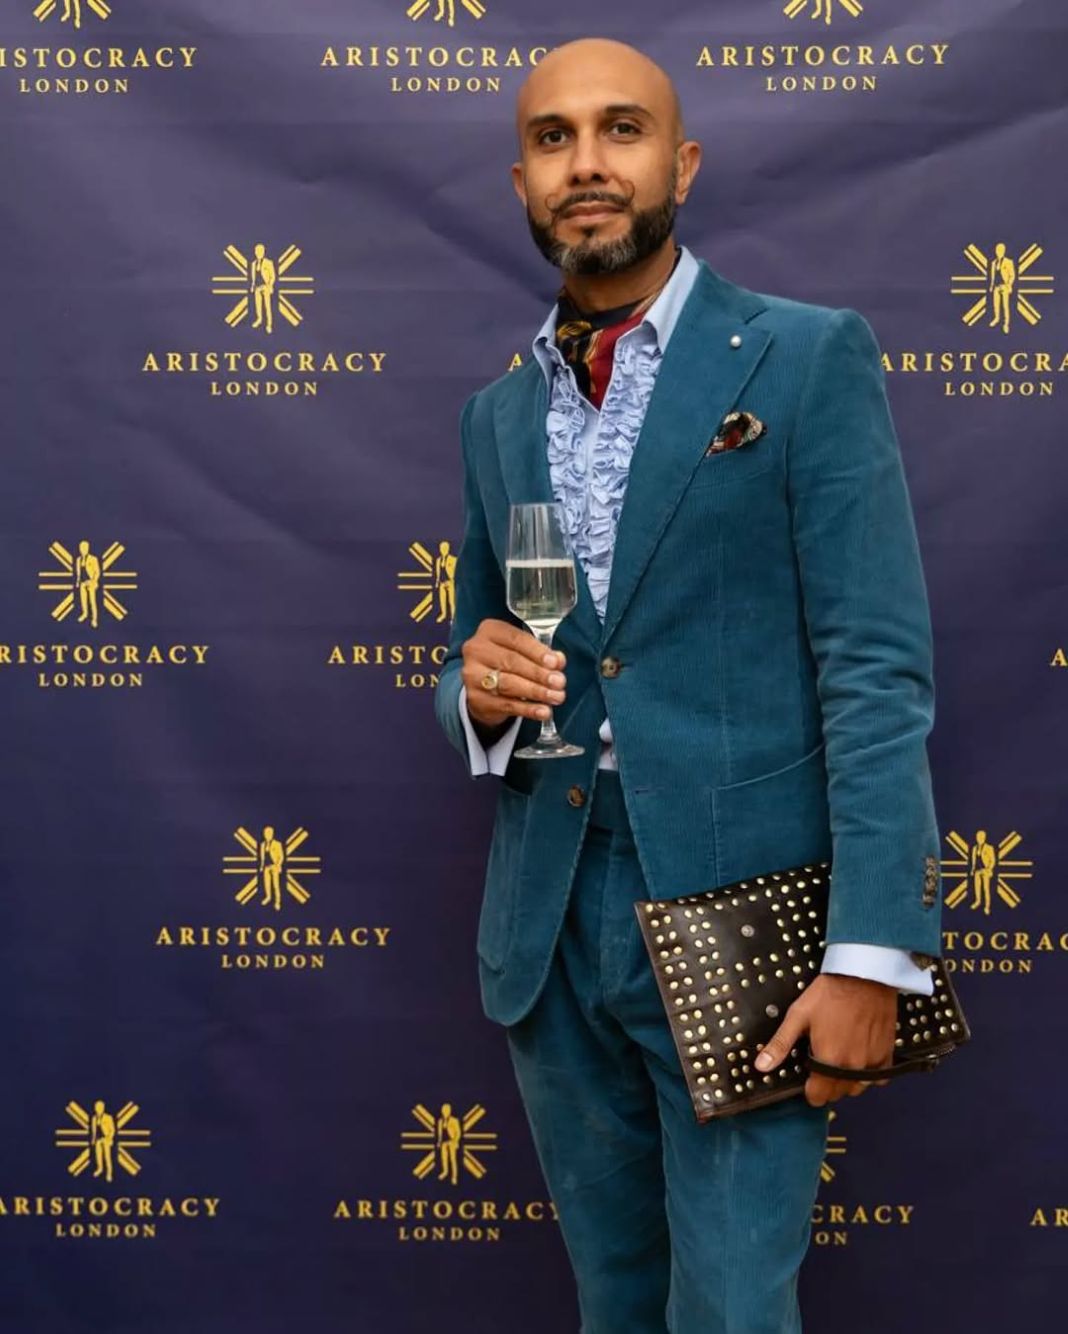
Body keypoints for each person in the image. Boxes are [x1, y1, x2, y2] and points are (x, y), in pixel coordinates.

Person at [433, 36, 944, 1333]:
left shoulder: (804, 358)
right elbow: (481, 649)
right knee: (615, 1299)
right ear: (521, 180)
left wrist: (875, 952)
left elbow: (874, 671)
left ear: (683, 162)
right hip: (551, 924)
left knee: (727, 1305)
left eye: (621, 129)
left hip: (746, 917)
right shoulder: (495, 415)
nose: (588, 162)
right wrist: (474, 697)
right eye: (554, 138)